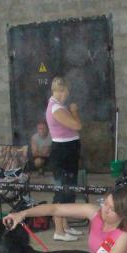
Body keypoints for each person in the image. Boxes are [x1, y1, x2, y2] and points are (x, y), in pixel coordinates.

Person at [46, 76, 83, 242]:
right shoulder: (56, 108)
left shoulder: (58, 106)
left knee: (68, 190)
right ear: (62, 90)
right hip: (62, 152)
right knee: (61, 191)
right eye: (67, 90)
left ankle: (65, 226)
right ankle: (59, 231)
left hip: (68, 151)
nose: (68, 94)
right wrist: (74, 111)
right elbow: (77, 125)